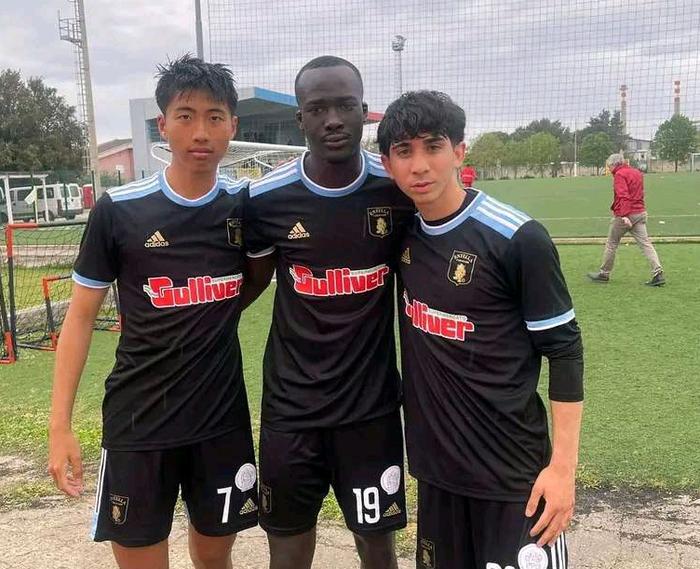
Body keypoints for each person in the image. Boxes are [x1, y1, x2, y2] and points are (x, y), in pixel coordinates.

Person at [48, 55, 258, 569]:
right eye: (185, 115)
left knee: (216, 560)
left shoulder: (247, 207)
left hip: (221, 422)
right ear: (162, 125)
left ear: (232, 125)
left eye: (214, 116)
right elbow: (79, 319)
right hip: (139, 424)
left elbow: (254, 280)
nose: (201, 131)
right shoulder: (119, 210)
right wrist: (59, 426)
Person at [377, 91, 584, 569]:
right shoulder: (403, 234)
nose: (420, 165)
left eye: (433, 146)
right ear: (388, 164)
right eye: (404, 152)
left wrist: (562, 470)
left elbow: (565, 350)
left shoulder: (516, 238)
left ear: (459, 152)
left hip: (514, 479)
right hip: (437, 476)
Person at [241, 56, 414, 569]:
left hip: (371, 410)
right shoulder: (265, 198)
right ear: (301, 119)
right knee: (288, 551)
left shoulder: (397, 189)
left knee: (377, 550)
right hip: (291, 410)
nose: (333, 120)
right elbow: (251, 283)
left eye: (344, 106)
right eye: (318, 109)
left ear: (364, 111)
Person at [587, 153, 665, 286]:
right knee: (645, 244)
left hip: (627, 214)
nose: (609, 169)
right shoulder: (637, 173)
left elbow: (623, 195)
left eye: (609, 166)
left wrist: (624, 215)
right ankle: (658, 273)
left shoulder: (619, 175)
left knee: (612, 243)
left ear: (614, 164)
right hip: (640, 212)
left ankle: (604, 274)